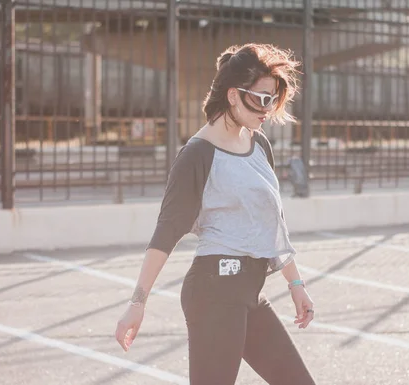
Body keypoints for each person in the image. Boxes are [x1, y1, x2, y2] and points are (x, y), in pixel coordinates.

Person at [114, 43, 317, 385]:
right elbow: (166, 232)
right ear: (233, 96)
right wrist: (137, 302)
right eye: (261, 98)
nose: (268, 109)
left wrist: (295, 283)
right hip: (214, 292)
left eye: (273, 98)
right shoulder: (198, 155)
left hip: (250, 292)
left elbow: (271, 222)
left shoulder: (259, 143)